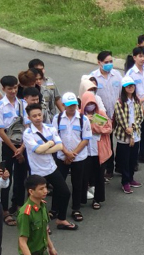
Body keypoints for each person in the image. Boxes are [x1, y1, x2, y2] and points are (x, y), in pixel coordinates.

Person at [22, 104, 76, 230]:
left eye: (39, 115)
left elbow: (59, 146)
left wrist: (45, 149)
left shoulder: (49, 128)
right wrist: (51, 144)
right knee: (38, 199)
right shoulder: (28, 133)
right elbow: (39, 149)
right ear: (29, 118)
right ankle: (42, 225)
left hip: (51, 167)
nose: (37, 118)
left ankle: (61, 219)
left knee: (65, 192)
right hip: (37, 171)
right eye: (34, 116)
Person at [0, 76, 28, 226]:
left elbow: (28, 127)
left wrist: (22, 148)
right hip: (9, 146)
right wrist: (15, 149)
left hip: (23, 144)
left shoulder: (23, 104)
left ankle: (19, 204)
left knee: (21, 177)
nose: (13, 91)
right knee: (7, 177)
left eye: (15, 88)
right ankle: (5, 210)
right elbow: (1, 132)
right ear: (3, 89)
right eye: (10, 89)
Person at [53, 93, 91, 222]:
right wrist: (66, 153)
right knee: (59, 183)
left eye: (74, 104)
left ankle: (76, 208)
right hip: (61, 156)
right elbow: (55, 138)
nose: (72, 107)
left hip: (78, 157)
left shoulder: (83, 119)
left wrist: (72, 154)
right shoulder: (57, 118)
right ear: (63, 105)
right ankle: (55, 208)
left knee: (77, 183)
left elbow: (85, 139)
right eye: (69, 105)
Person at [112, 77, 143, 193]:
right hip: (124, 136)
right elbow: (121, 119)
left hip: (136, 135)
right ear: (124, 88)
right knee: (124, 160)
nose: (131, 88)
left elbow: (140, 117)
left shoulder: (137, 101)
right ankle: (125, 182)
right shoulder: (119, 102)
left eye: (132, 86)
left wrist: (133, 128)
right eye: (128, 86)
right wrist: (129, 131)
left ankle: (131, 178)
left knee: (133, 159)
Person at [80, 89, 109, 210]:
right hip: (84, 152)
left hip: (98, 151)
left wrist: (93, 125)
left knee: (99, 176)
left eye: (92, 103)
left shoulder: (100, 114)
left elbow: (108, 128)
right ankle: (80, 198)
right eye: (87, 104)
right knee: (83, 176)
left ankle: (97, 199)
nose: (90, 106)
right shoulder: (79, 115)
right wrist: (87, 121)